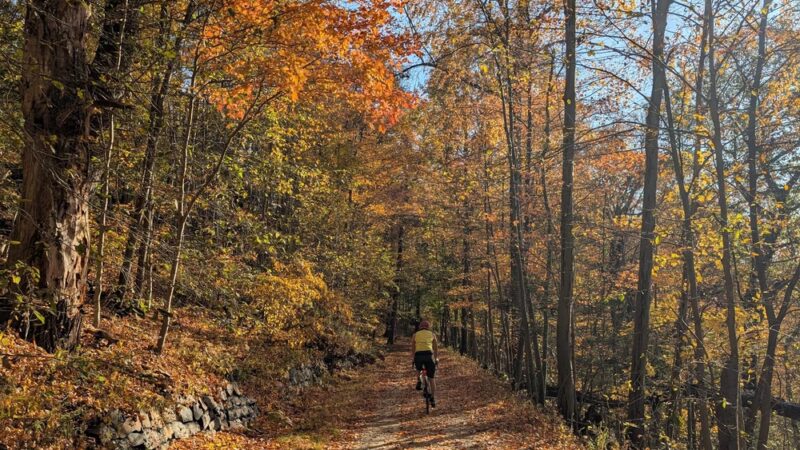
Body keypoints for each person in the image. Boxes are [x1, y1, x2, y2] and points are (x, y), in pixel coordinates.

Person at [411, 320, 438, 407]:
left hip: (418, 356)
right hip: (429, 356)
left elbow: (413, 348)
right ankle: (433, 399)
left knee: (418, 367)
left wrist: (413, 359)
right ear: (428, 327)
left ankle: (419, 381)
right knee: (432, 378)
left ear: (420, 327)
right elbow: (435, 348)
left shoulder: (415, 335)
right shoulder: (432, 334)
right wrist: (436, 358)